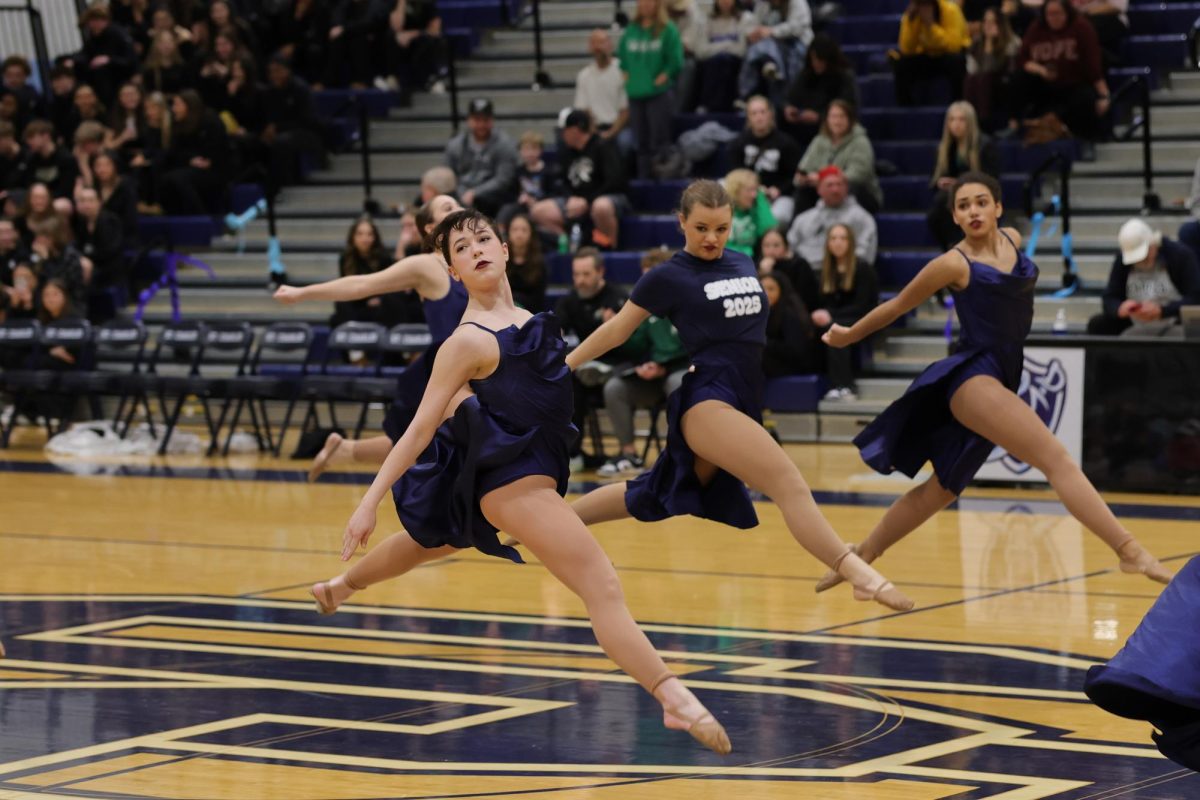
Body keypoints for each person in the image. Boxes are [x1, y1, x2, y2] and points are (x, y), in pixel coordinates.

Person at [307, 207, 733, 756]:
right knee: (600, 583)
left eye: (483, 238)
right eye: (461, 248)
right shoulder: (463, 341)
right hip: (514, 484)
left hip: (524, 475)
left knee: (429, 541)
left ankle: (341, 588)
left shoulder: (530, 319)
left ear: (506, 250)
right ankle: (671, 696)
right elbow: (416, 429)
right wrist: (367, 503)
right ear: (452, 272)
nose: (476, 249)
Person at [555, 180, 913, 611]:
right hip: (707, 398)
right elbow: (616, 331)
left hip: (743, 397)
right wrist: (564, 365)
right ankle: (859, 574)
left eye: (721, 228)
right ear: (681, 222)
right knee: (789, 483)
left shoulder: (743, 261)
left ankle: (554, 523)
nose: (712, 238)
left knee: (653, 492)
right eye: (702, 227)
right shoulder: (668, 276)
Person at [815, 172, 1173, 596]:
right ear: (955, 216)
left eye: (981, 201)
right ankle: (1129, 550)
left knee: (941, 490)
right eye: (963, 205)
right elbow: (897, 305)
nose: (973, 211)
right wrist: (849, 335)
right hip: (972, 377)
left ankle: (864, 558)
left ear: (998, 208)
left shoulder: (1013, 239)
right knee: (1056, 458)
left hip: (1004, 375)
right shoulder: (953, 262)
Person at [274, 195, 469, 479]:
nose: (459, 210)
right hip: (446, 373)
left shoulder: (474, 260)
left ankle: (345, 450)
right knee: (436, 450)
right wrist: (304, 292)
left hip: (477, 367)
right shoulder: (428, 265)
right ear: (430, 228)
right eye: (448, 208)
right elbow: (363, 284)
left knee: (427, 447)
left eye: (459, 204)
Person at [597, 248, 688, 478]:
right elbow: (635, 346)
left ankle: (681, 455)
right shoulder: (644, 307)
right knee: (615, 388)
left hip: (681, 371)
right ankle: (629, 454)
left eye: (651, 277)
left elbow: (694, 350)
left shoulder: (687, 303)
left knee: (678, 385)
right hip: (653, 377)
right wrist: (614, 327)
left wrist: (663, 368)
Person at [1009, 0, 1110, 144]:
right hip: (1044, 87)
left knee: (1085, 98)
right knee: (1017, 79)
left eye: (1057, 13)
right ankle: (1014, 125)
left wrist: (1103, 94)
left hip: (1074, 86)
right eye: (1049, 14)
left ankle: (1086, 141)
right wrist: (1041, 70)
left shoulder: (1081, 27)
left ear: (1067, 13)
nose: (1053, 18)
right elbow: (1023, 60)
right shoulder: (1036, 28)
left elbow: (1093, 65)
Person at [531, 109, 628, 250]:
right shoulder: (566, 151)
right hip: (576, 200)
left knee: (601, 206)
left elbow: (615, 182)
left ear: (576, 130)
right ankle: (569, 242)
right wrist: (569, 198)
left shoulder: (603, 146)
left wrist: (587, 201)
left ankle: (609, 248)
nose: (562, 135)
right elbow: (562, 181)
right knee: (538, 211)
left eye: (565, 130)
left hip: (606, 197)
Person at [1086, 219, 1200, 337]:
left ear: (1153, 244)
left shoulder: (1180, 255)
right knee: (1097, 324)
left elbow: (1195, 298)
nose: (1140, 261)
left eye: (1144, 256)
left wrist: (1162, 311)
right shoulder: (1122, 260)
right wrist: (1119, 308)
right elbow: (1109, 297)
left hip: (1174, 322)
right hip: (1135, 323)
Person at [618, 0, 684, 179]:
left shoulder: (667, 29)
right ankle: (643, 179)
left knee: (659, 140)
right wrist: (626, 75)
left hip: (658, 93)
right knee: (640, 142)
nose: (646, 4)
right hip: (635, 92)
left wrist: (665, 74)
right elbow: (622, 56)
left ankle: (661, 178)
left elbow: (676, 59)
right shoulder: (631, 30)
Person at [812, 223, 878, 400]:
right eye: (833, 238)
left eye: (843, 238)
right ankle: (831, 385)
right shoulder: (825, 271)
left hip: (863, 321)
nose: (838, 242)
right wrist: (820, 314)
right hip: (836, 321)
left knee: (837, 329)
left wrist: (831, 316)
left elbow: (863, 307)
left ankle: (845, 385)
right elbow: (822, 302)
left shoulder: (863, 268)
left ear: (851, 242)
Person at [927, 101, 999, 251]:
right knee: (937, 208)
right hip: (952, 197)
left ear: (970, 122)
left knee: (943, 202)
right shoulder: (944, 148)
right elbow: (933, 180)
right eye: (952, 120)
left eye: (961, 119)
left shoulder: (984, 145)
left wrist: (961, 183)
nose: (956, 124)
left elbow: (992, 180)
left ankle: (958, 246)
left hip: (979, 197)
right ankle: (952, 247)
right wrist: (941, 182)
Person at [794, 100, 882, 215]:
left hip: (858, 193)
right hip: (823, 192)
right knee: (803, 192)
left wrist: (823, 179)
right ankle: (798, 230)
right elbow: (803, 168)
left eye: (842, 116)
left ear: (850, 120)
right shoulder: (819, 141)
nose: (837, 121)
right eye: (834, 116)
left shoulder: (861, 141)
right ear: (827, 119)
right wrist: (803, 179)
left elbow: (858, 175)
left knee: (849, 189)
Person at [331, 216, 418, 328]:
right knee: (340, 303)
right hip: (357, 302)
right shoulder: (345, 258)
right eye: (360, 234)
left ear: (375, 237)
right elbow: (346, 285)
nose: (365, 238)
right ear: (353, 237)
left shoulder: (383, 257)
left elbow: (393, 285)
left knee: (391, 301)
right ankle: (350, 335)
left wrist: (380, 299)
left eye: (369, 234)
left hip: (379, 304)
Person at [729, 95, 801, 226]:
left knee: (778, 216)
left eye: (763, 112)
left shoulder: (787, 144)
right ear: (748, 118)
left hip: (777, 195)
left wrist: (779, 190)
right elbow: (734, 174)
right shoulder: (738, 144)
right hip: (745, 193)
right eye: (754, 113)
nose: (759, 117)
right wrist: (750, 190)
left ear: (771, 115)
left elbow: (795, 176)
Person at [787, 165, 878, 267]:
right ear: (819, 189)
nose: (835, 190)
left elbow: (866, 254)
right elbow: (790, 248)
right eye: (829, 185)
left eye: (839, 184)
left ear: (846, 188)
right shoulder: (803, 219)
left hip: (847, 273)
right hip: (809, 274)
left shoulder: (862, 218)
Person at [444, 98, 520, 217]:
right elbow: (449, 174)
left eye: (485, 120)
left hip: (493, 199)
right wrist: (462, 192)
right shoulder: (455, 144)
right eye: (477, 120)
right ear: (469, 120)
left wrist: (475, 193)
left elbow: (503, 179)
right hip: (461, 194)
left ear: (492, 120)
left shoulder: (505, 144)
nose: (481, 125)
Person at [782, 34, 859, 142]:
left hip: (833, 131)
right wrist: (788, 108)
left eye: (820, 60)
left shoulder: (844, 77)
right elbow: (791, 97)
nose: (816, 64)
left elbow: (848, 108)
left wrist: (820, 117)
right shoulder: (807, 73)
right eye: (813, 59)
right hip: (804, 131)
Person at [893, 0, 970, 107]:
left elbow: (954, 46)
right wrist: (911, 22)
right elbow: (906, 49)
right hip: (926, 57)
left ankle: (958, 105)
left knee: (957, 62)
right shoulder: (913, 14)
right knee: (901, 65)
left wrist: (931, 26)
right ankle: (906, 109)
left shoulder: (950, 10)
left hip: (947, 56)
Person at [737, 0, 813, 102]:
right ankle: (746, 95)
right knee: (755, 50)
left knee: (788, 55)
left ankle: (789, 95)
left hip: (796, 42)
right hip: (770, 46)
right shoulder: (762, 3)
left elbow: (798, 27)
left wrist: (772, 31)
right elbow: (756, 24)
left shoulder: (797, 2)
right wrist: (755, 33)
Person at [574, 29, 632, 151]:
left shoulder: (623, 71)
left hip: (620, 127)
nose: (597, 47)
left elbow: (625, 111)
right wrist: (593, 131)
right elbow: (584, 110)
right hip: (594, 127)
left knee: (624, 142)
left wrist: (611, 133)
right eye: (593, 43)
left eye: (601, 42)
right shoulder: (584, 75)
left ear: (610, 45)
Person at [964, 7, 1019, 131]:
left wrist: (989, 45)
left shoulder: (1012, 42)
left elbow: (1009, 71)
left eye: (992, 22)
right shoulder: (976, 44)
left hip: (1005, 85)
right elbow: (972, 70)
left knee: (985, 78)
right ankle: (970, 120)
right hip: (983, 85)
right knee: (970, 79)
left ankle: (983, 122)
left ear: (1001, 24)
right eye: (985, 22)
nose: (987, 26)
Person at [760, 271, 820, 377]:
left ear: (782, 291)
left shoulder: (789, 314)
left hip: (794, 366)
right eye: (762, 289)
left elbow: (796, 351)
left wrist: (764, 343)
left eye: (771, 289)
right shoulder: (760, 313)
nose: (766, 293)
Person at [692, 0, 744, 113]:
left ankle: (728, 106)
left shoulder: (744, 19)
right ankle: (708, 106)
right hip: (710, 64)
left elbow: (741, 50)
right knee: (716, 61)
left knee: (724, 61)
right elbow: (701, 51)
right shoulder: (706, 20)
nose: (725, 2)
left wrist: (715, 46)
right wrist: (727, 44)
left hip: (735, 64)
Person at [757, 227, 817, 310]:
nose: (771, 250)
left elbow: (803, 297)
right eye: (766, 245)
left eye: (776, 245)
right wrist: (762, 272)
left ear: (785, 247)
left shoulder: (799, 265)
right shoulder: (756, 265)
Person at [723, 168, 776, 257]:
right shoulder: (724, 212)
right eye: (749, 190)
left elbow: (769, 230)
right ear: (736, 191)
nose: (754, 195)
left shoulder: (755, 209)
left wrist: (761, 198)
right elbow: (724, 247)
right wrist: (747, 252)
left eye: (756, 190)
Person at [504, 213, 546, 312]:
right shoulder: (501, 260)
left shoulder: (540, 264)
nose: (519, 234)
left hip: (530, 315)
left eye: (524, 230)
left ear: (531, 233)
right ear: (508, 233)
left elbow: (538, 300)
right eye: (515, 229)